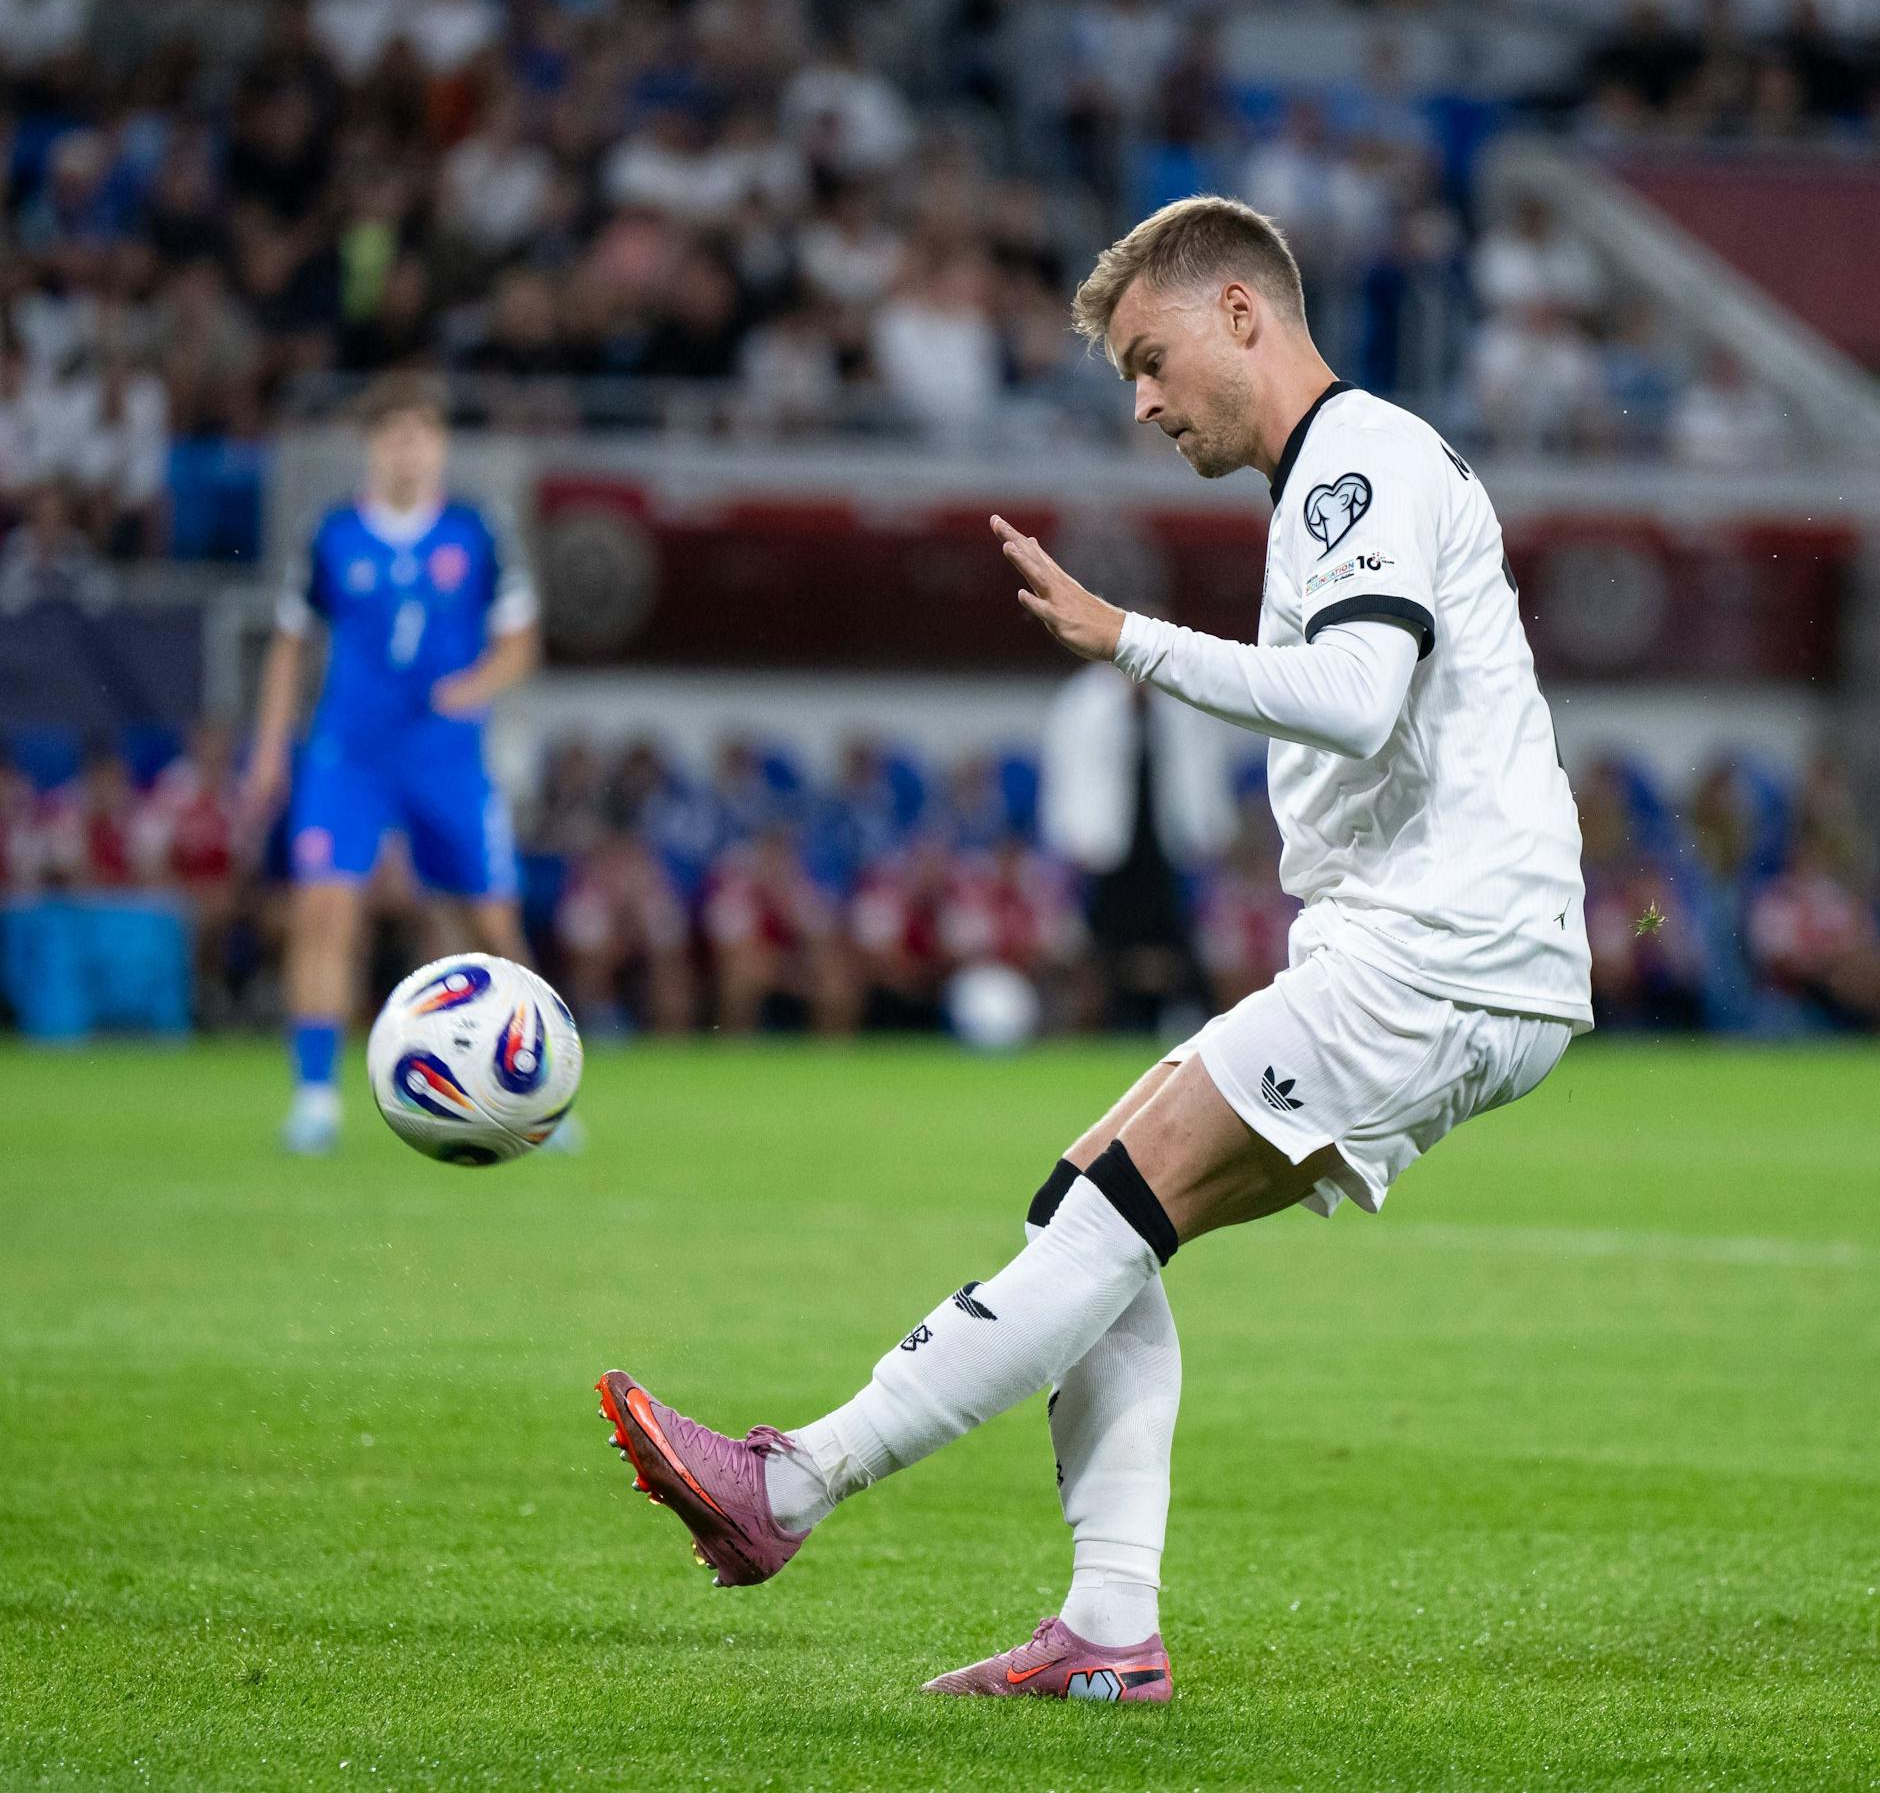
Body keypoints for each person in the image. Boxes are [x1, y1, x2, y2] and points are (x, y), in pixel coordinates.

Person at [592, 195, 1591, 1700]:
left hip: (1439, 953)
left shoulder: (1358, 461)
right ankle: (1110, 1627)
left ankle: (788, 1483)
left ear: (1240, 311)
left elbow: (1357, 696)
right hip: (1435, 952)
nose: (1140, 403)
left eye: (1149, 358)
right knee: (1090, 1210)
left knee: (1105, 1215)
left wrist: (1127, 638)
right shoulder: (1340, 473)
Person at [243, 371, 539, 1155]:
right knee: (324, 912)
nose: (409, 449)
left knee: (491, 925)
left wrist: (471, 687)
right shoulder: (332, 534)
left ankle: (535, 1086)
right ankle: (315, 1098)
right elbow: (290, 644)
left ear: (440, 445)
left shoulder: (475, 532)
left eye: (422, 433)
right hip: (349, 754)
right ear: (372, 446)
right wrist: (270, 747)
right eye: (395, 434)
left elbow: (519, 644)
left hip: (446, 757)